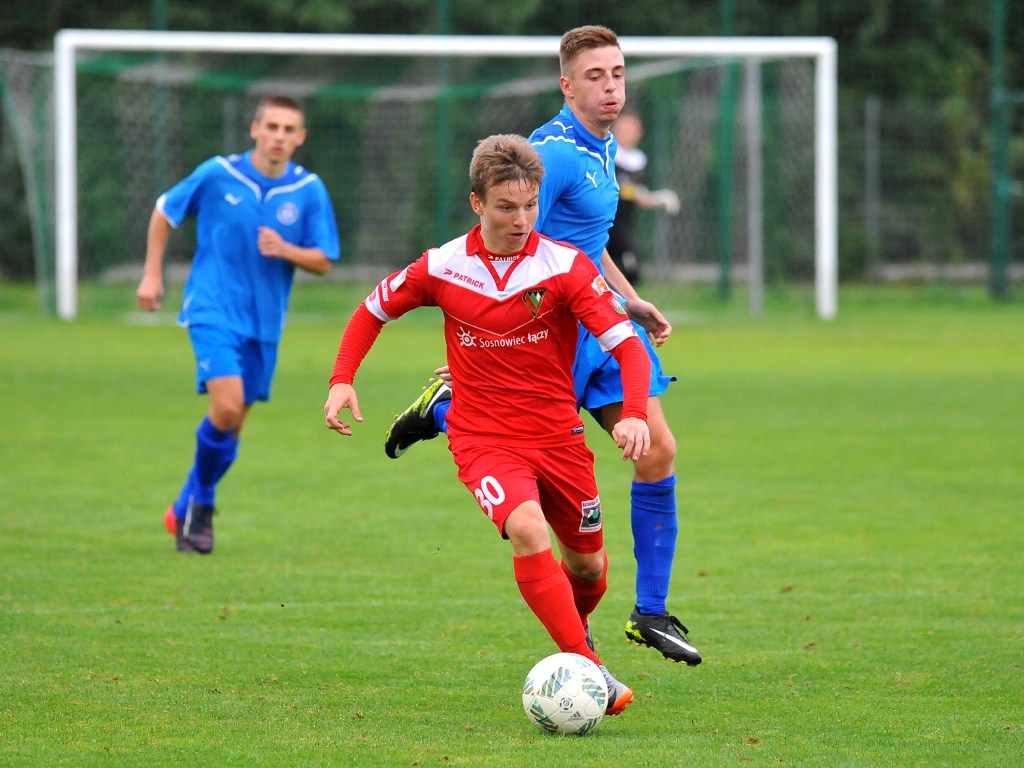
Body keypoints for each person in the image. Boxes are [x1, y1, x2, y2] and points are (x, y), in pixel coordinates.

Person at [383, 26, 702, 666]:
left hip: (599, 317)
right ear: (566, 84)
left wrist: (628, 298)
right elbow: (508, 233)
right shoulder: (550, 154)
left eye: (617, 74)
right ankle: (448, 407)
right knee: (569, 478)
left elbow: (585, 241)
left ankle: (648, 611)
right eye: (594, 76)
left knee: (658, 449)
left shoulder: (601, 146)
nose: (610, 87)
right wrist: (490, 335)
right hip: (552, 328)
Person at [324, 134, 650, 716]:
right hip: (486, 438)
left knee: (590, 570)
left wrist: (633, 415)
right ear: (477, 202)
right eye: (506, 207)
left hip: (557, 436)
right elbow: (372, 310)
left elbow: (626, 346)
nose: (521, 220)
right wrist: (342, 379)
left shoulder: (566, 267)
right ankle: (591, 670)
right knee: (527, 529)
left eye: (530, 205)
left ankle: (438, 406)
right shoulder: (444, 266)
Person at [136, 95, 341, 554]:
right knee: (226, 408)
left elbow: (324, 260)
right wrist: (152, 274)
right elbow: (165, 211)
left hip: (264, 322)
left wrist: (287, 250)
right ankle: (203, 505)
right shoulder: (218, 173)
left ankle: (183, 506)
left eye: (288, 130)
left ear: (300, 138)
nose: (278, 136)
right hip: (212, 308)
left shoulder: (308, 189)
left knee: (234, 425)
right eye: (272, 127)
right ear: (255, 129)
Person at [606, 109, 681, 284]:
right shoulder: (608, 155)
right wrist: (634, 193)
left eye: (632, 130)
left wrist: (659, 199)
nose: (628, 134)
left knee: (630, 270)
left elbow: (639, 195)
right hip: (607, 220)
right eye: (624, 129)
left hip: (625, 222)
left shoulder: (638, 160)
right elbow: (620, 188)